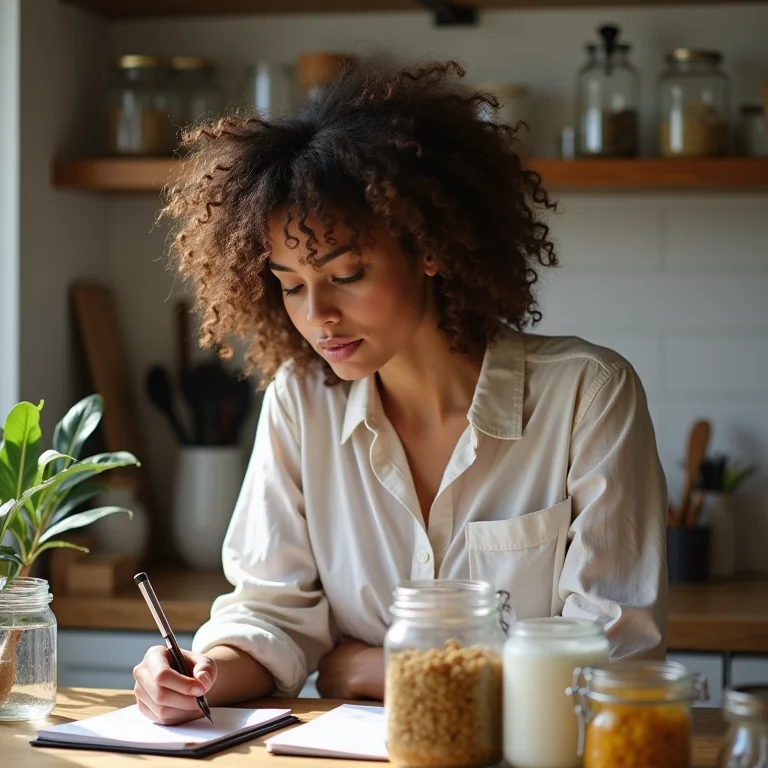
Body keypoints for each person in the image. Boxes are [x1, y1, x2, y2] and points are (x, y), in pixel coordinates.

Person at [132, 59, 667, 725]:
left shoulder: (588, 396)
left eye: (348, 272)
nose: (317, 315)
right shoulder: (302, 401)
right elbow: (273, 613)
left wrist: (371, 666)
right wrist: (197, 675)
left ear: (429, 247)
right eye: (291, 284)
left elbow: (608, 662)